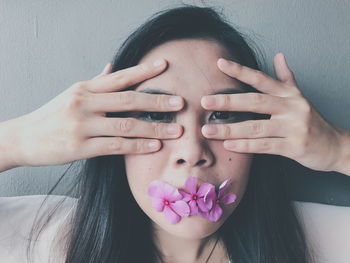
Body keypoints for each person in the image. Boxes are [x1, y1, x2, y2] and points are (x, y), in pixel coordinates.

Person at [0, 5, 349, 263]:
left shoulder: (322, 240)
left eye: (223, 114)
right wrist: (18, 141)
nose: (192, 150)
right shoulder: (45, 239)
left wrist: (338, 149)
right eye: (156, 114)